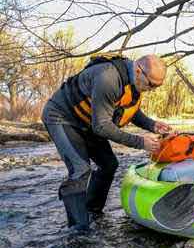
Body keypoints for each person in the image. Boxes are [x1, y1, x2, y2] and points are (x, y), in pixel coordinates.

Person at [42, 54, 171, 231]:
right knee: (80, 170)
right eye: (152, 84)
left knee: (109, 164)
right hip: (62, 117)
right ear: (138, 70)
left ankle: (92, 211)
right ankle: (78, 231)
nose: (153, 89)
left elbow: (131, 111)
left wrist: (152, 125)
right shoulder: (108, 78)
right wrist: (141, 142)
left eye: (158, 86)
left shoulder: (135, 83)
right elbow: (102, 127)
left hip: (89, 123)